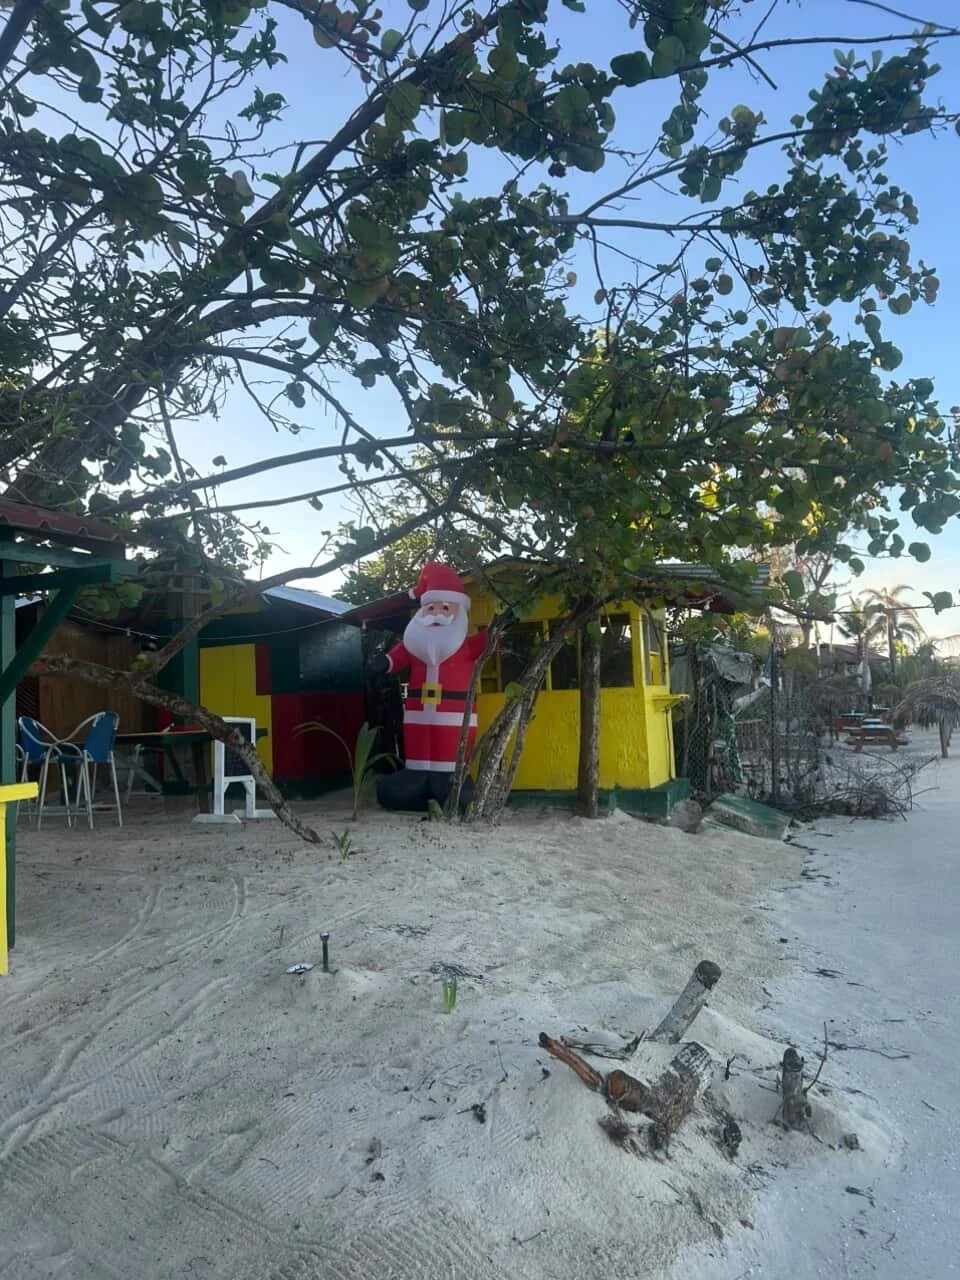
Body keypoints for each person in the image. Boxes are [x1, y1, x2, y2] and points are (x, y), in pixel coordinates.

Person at [367, 563, 490, 812]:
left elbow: (487, 640)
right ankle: (416, 776)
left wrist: (498, 628)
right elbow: (395, 658)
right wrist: (382, 663)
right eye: (430, 608)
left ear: (459, 611)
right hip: (416, 715)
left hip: (454, 716)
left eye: (445, 607)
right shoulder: (413, 644)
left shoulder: (465, 646)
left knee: (450, 756)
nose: (436, 614)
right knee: (417, 752)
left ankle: (450, 782)